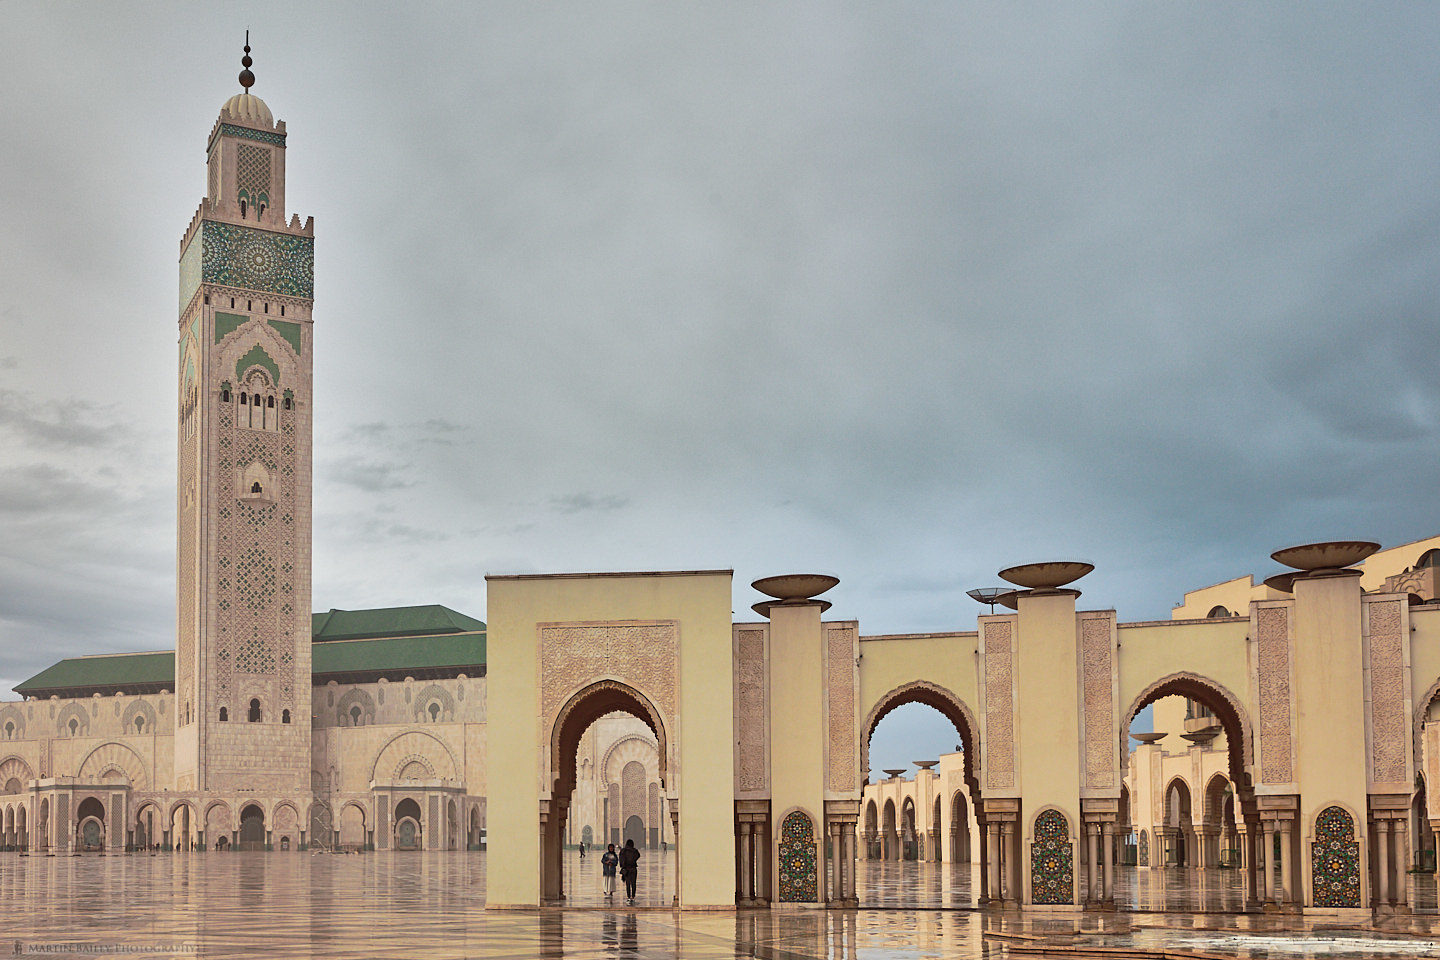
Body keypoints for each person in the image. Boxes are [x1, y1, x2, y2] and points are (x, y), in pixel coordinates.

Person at [619, 838, 640, 904]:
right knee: (633, 883)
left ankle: (628, 897)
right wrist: (633, 861)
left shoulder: (623, 851)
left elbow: (621, 859)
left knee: (628, 884)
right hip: (633, 868)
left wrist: (622, 866)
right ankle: (633, 897)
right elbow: (638, 856)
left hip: (626, 869)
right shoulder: (635, 851)